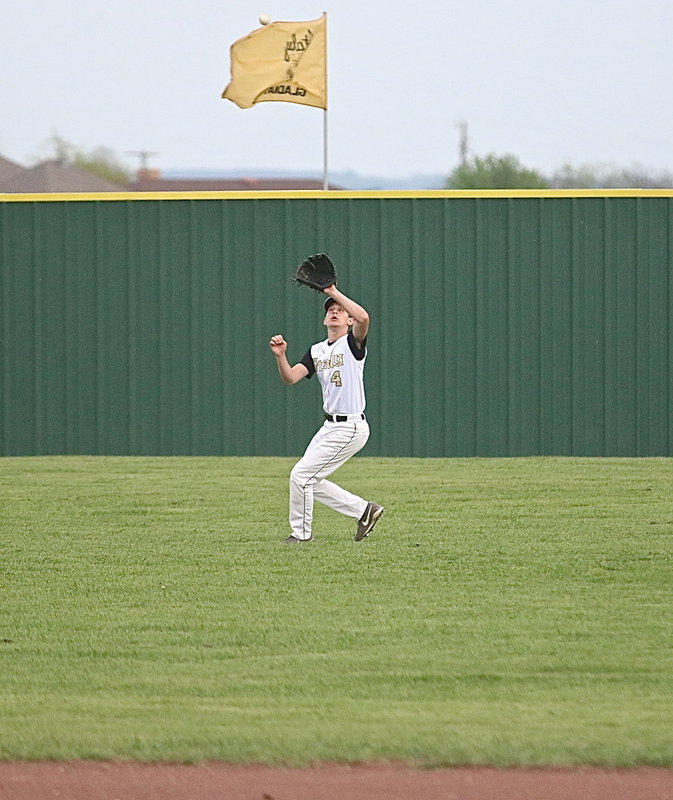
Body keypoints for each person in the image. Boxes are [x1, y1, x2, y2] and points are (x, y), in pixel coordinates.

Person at [268, 283, 384, 543]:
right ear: (324, 319)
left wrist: (332, 291)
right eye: (330, 310)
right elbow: (290, 378)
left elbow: (364, 317)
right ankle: (364, 510)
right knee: (308, 479)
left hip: (351, 425)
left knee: (301, 476)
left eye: (340, 310)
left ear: (349, 320)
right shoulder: (316, 351)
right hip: (330, 426)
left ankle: (301, 535)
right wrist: (281, 356)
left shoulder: (352, 344)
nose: (334, 311)